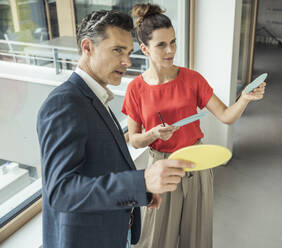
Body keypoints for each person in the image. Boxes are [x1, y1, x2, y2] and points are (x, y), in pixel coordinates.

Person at [37, 10, 193, 248]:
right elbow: (61, 191)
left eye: (129, 52)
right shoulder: (64, 103)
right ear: (87, 47)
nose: (127, 62)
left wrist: (140, 192)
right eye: (117, 50)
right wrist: (140, 182)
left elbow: (102, 164)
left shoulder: (95, 97)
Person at [122, 4, 266, 248]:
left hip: (196, 163)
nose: (171, 50)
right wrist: (153, 134)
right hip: (161, 167)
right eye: (161, 45)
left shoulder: (192, 79)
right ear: (145, 49)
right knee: (157, 238)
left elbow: (226, 116)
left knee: (197, 237)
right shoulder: (135, 89)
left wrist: (244, 98)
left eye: (174, 42)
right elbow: (134, 139)